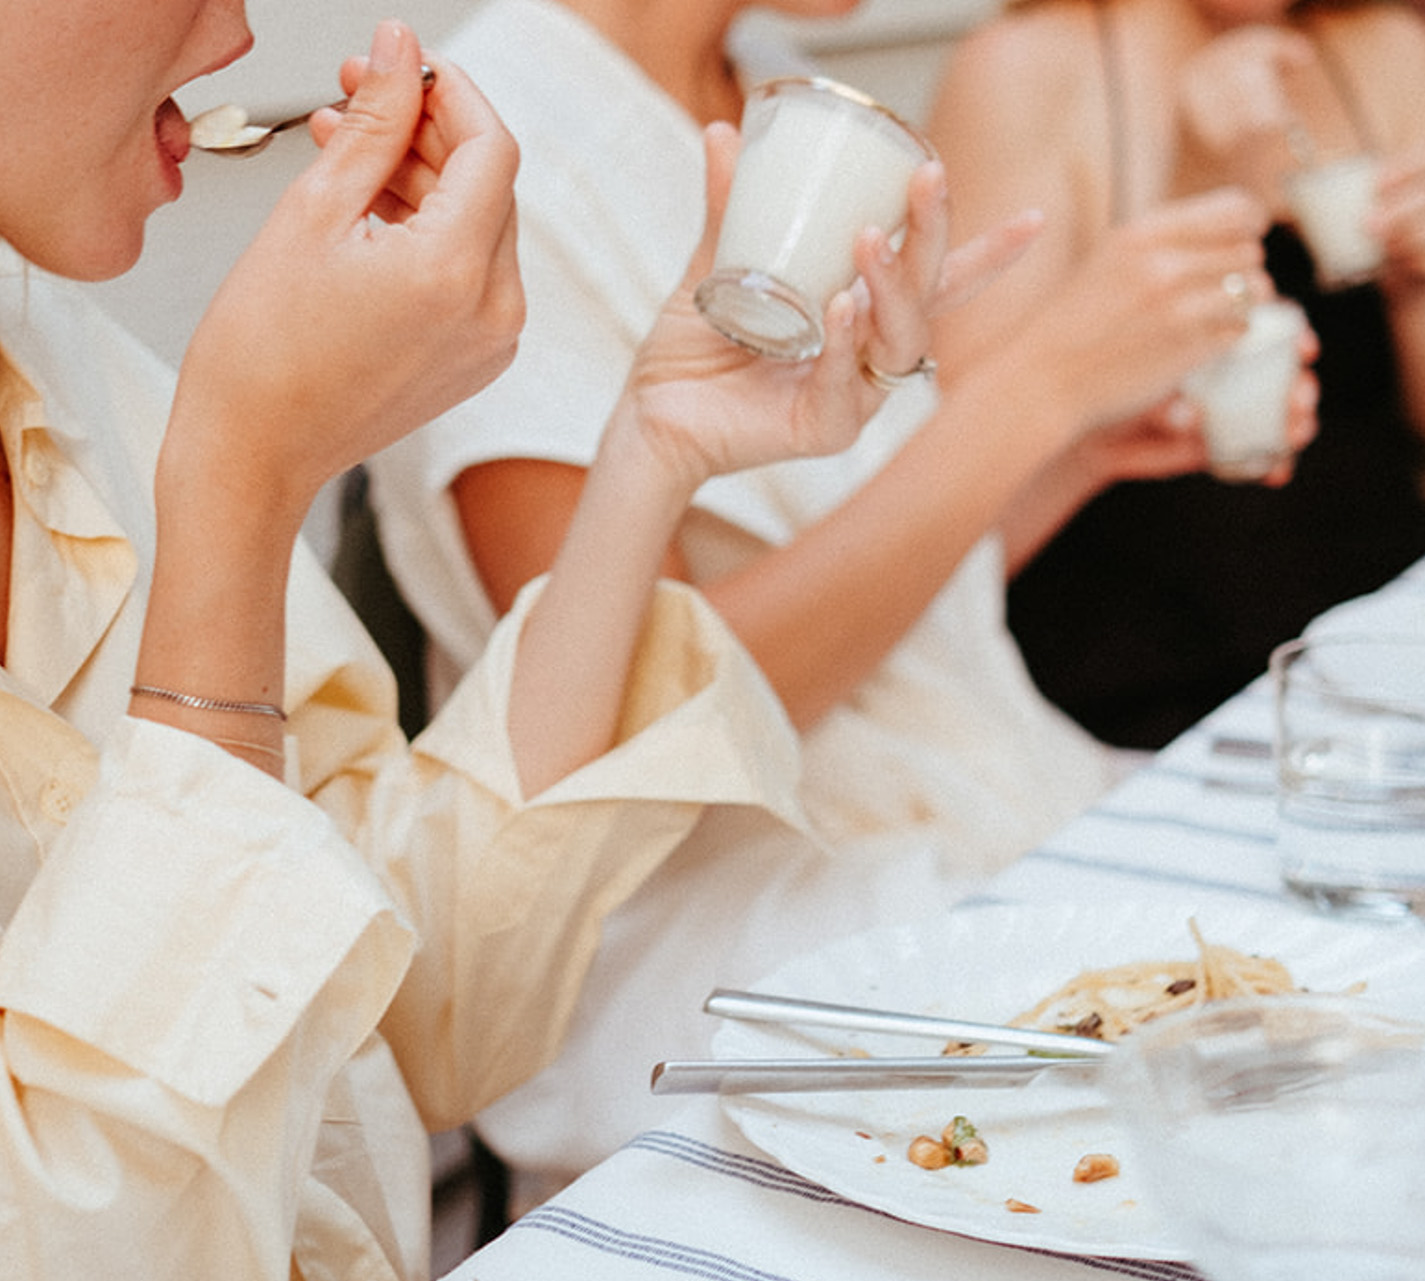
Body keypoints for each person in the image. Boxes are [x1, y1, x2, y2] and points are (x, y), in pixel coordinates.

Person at [0, 2, 980, 1281]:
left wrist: (654, 447)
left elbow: (410, 1016)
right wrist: (242, 487)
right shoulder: (189, 428)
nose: (235, 32)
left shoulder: (67, 367)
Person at [367, 0, 1312, 1188]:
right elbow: (625, 741)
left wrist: (1070, 451)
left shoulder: (778, 89)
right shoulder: (484, 147)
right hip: (705, 930)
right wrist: (1031, 394)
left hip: (952, 794)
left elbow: (878, 594)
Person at [930, 0, 1425, 748]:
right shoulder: (1022, 69)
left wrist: (1421, 289)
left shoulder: (1389, 52)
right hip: (1130, 684)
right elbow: (960, 502)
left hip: (1372, 656)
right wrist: (1197, 189)